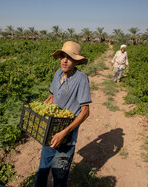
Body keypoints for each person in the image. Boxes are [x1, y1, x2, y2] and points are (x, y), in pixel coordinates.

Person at [34, 41, 91, 187]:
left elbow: (85, 112)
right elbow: (52, 97)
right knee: (42, 171)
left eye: (69, 57)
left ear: (76, 61)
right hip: (50, 131)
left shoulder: (81, 79)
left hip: (66, 137)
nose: (64, 60)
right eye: (63, 56)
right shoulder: (58, 73)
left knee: (59, 177)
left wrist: (64, 132)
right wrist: (40, 108)